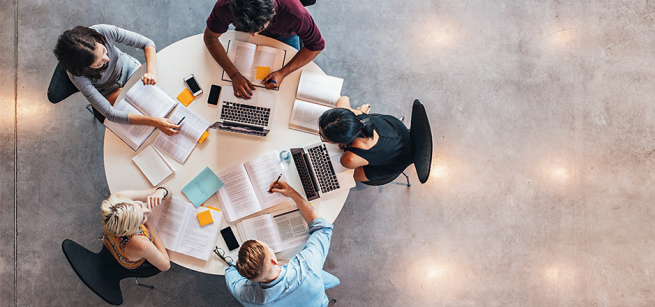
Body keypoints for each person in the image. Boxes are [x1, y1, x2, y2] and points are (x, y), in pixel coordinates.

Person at [224, 180, 339, 307]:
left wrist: (235, 266)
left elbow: (230, 274)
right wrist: (294, 194)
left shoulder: (246, 296)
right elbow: (322, 228)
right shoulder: (307, 267)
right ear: (274, 260)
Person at [53, 24, 180, 135]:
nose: (107, 59)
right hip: (108, 91)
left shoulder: (102, 31)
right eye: (99, 63)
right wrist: (154, 122)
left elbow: (147, 43)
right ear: (84, 69)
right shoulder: (77, 76)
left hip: (129, 69)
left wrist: (151, 72)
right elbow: (111, 114)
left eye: (104, 50)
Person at [204, 0, 325, 98]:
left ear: (273, 11)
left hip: (285, 37)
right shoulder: (225, 5)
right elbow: (210, 39)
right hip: (242, 34)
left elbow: (316, 46)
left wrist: (283, 72)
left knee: (287, 88)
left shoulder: (295, 13)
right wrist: (234, 74)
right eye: (250, 30)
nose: (254, 35)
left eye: (259, 28)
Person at [318, 96, 413, 182]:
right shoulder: (357, 115)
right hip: (398, 130)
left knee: (346, 178)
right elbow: (343, 99)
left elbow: (351, 173)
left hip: (398, 162)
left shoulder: (349, 159)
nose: (319, 133)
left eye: (323, 137)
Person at [101, 187, 171, 272]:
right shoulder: (141, 243)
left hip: (110, 241)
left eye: (140, 205)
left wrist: (161, 191)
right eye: (143, 218)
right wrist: (149, 223)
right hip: (131, 260)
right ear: (133, 229)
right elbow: (166, 266)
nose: (148, 210)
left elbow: (167, 191)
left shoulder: (117, 199)